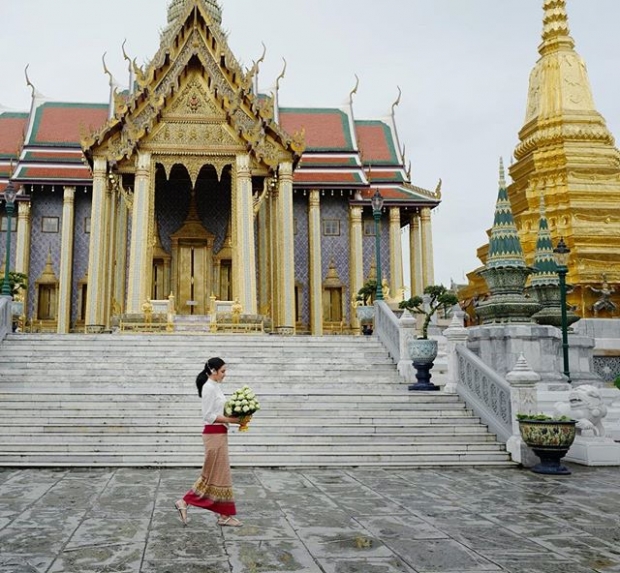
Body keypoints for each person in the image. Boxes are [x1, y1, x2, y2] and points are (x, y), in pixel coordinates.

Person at [174, 357, 243, 527]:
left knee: (220, 473)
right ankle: (186, 502)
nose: (225, 374)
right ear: (213, 371)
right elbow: (208, 415)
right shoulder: (208, 388)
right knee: (212, 473)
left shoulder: (216, 387)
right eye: (223, 371)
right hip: (213, 435)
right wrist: (233, 420)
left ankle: (223, 515)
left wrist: (234, 417)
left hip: (220, 433)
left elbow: (218, 411)